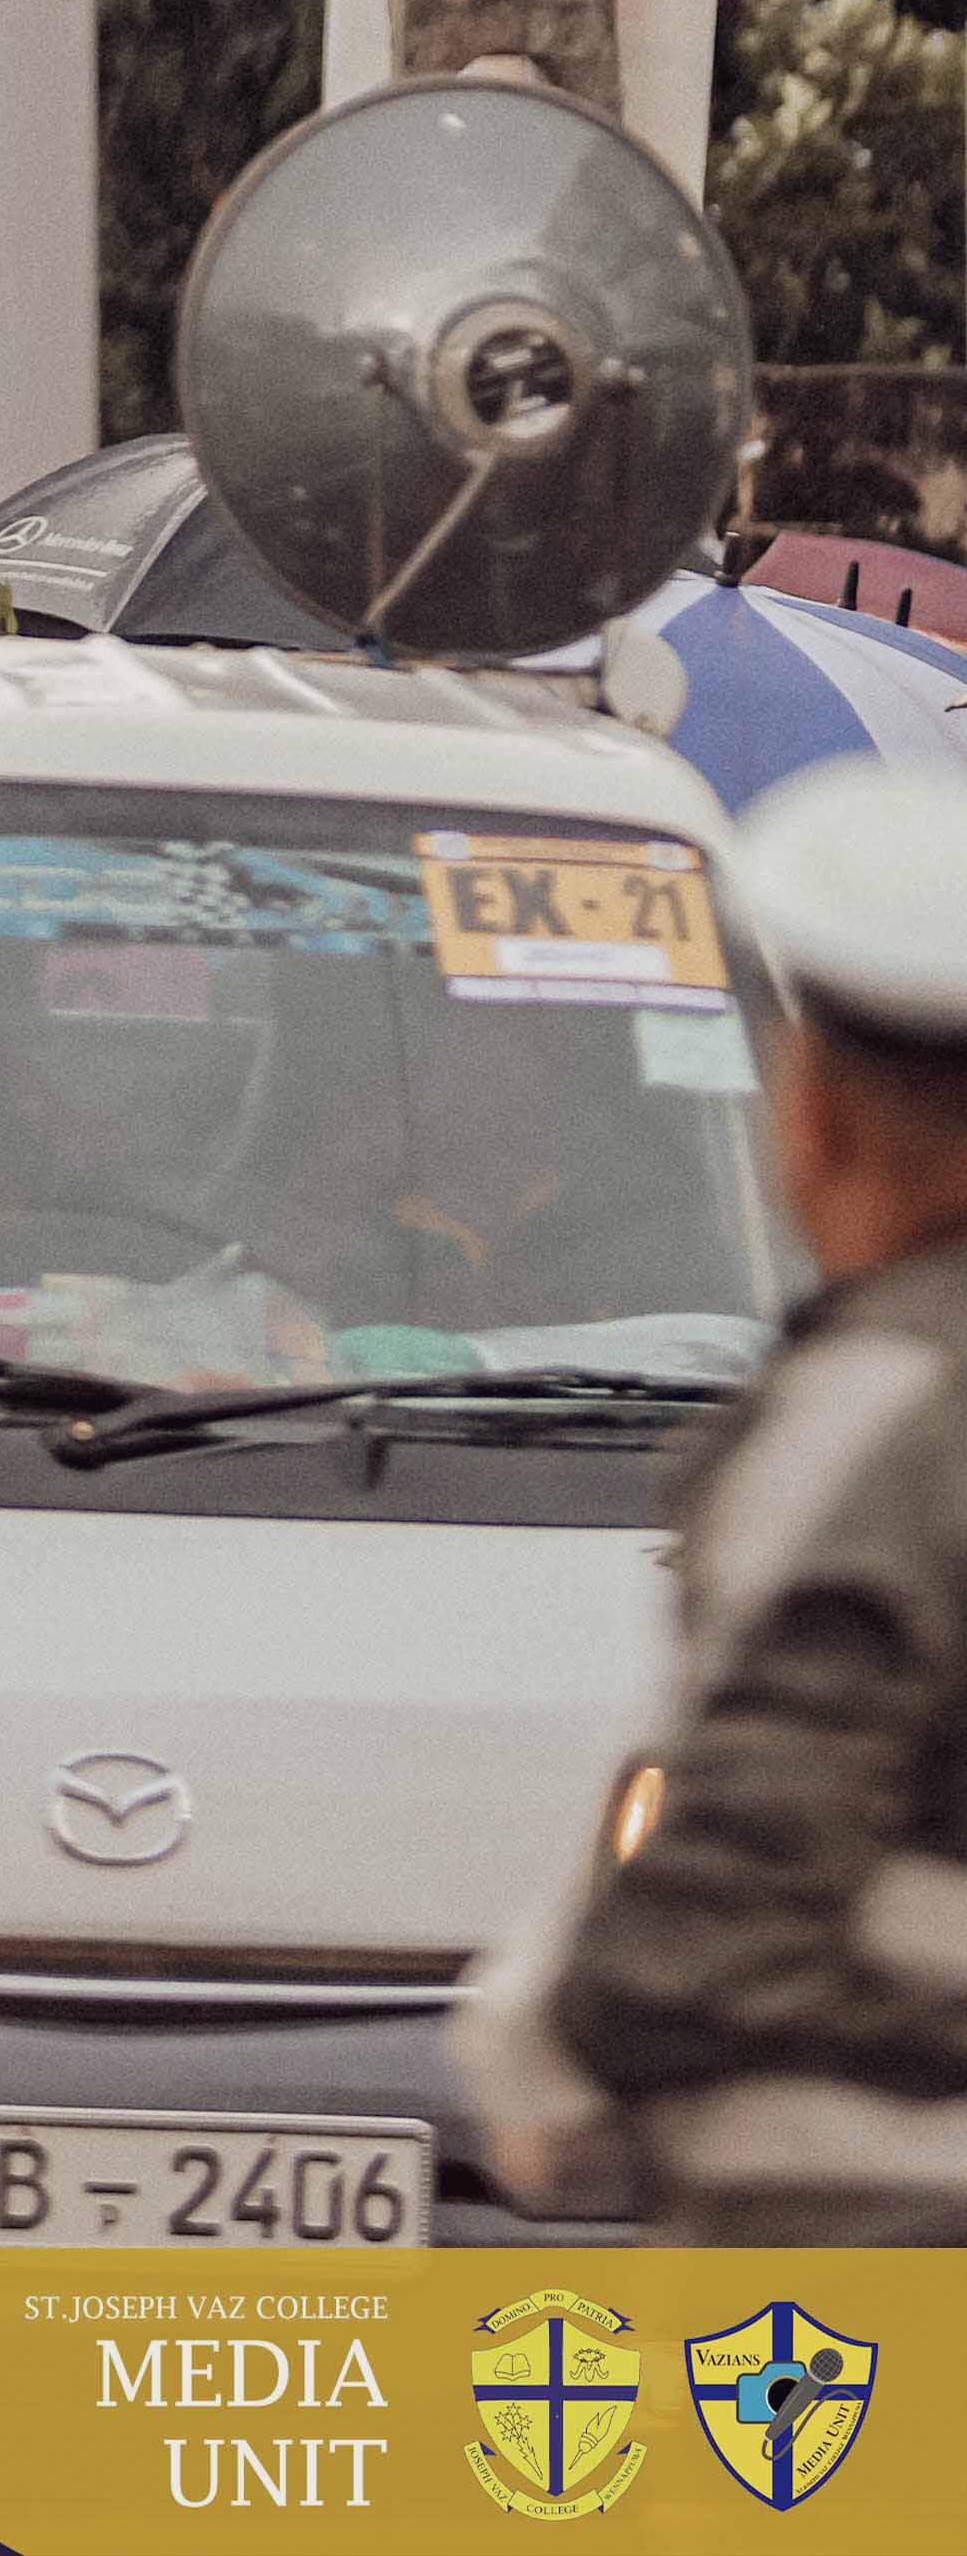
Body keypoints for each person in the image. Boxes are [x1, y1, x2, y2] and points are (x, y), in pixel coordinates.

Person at [454, 755, 967, 2240]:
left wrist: (566, 2047)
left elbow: (712, 1914)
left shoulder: (880, 1411)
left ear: (813, 1119)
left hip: (861, 2230)